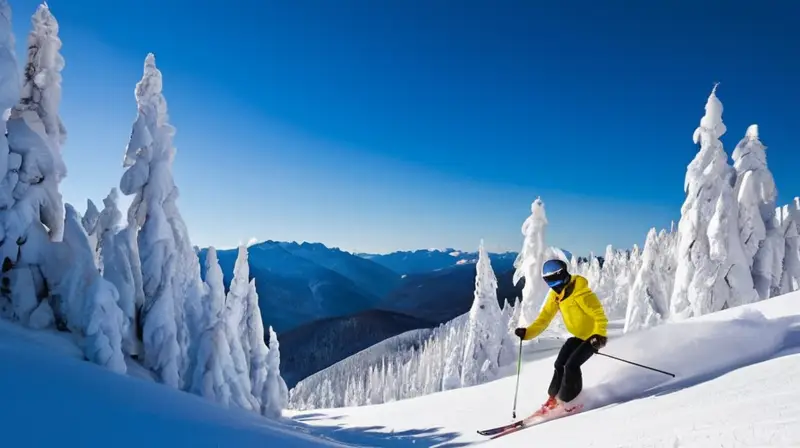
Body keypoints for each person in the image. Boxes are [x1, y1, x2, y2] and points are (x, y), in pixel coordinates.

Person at [514, 258, 608, 415]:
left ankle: (570, 400)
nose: (554, 285)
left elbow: (600, 316)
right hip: (578, 336)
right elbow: (544, 318)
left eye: (555, 280)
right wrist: (527, 333)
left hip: (594, 338)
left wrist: (599, 335)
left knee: (571, 365)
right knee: (559, 364)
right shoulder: (556, 295)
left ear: (563, 274)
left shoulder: (581, 293)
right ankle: (553, 398)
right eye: (549, 281)